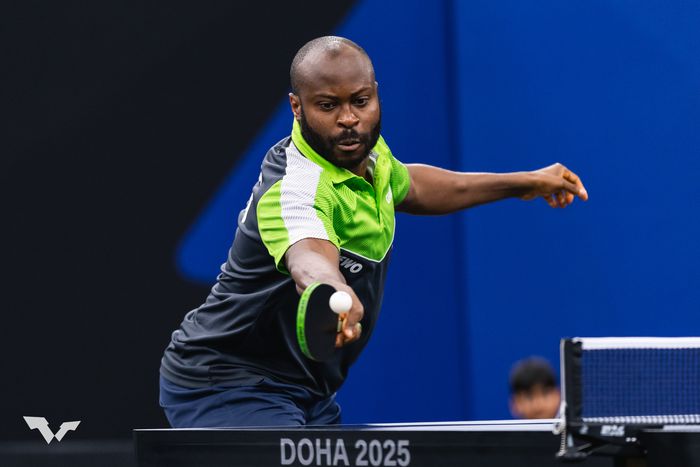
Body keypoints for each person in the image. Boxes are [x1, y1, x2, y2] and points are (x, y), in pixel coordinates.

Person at [159, 36, 588, 428]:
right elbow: (310, 257)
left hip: (306, 389)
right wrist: (333, 292)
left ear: (376, 94)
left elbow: (414, 186)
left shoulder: (366, 152)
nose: (349, 119)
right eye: (328, 106)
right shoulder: (294, 190)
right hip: (226, 379)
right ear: (297, 107)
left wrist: (524, 182)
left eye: (360, 101)